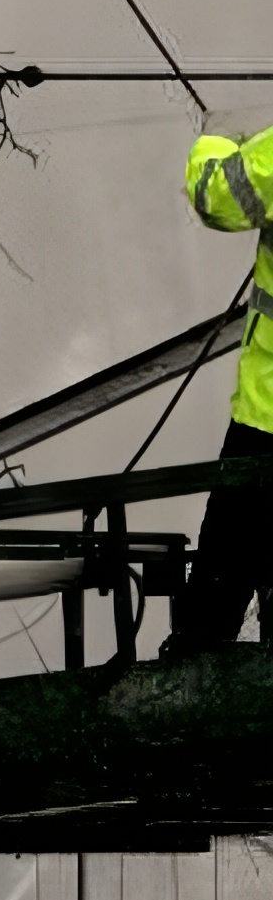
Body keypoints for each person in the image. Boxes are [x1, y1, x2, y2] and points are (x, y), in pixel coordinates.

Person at [166, 122, 273, 650]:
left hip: (268, 420)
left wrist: (217, 139)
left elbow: (218, 198)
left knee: (221, 580)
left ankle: (192, 702)